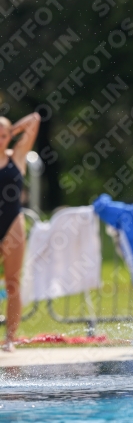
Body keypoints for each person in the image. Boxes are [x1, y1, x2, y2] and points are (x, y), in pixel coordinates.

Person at [0, 113, 41, 351]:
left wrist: (11, 130)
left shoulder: (17, 156)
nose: (1, 139)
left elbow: (35, 120)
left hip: (12, 224)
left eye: (3, 135)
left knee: (13, 284)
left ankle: (9, 340)